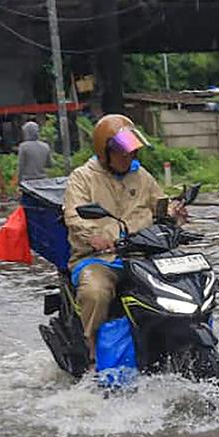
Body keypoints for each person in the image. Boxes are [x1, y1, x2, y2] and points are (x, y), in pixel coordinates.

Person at [63, 114, 187, 370]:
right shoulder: (82, 177)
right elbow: (74, 216)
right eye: (122, 153)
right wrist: (94, 236)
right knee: (95, 291)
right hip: (99, 258)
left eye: (132, 152)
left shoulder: (141, 175)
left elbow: (160, 206)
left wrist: (175, 214)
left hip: (143, 256)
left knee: (183, 282)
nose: (129, 157)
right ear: (105, 151)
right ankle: (92, 352)